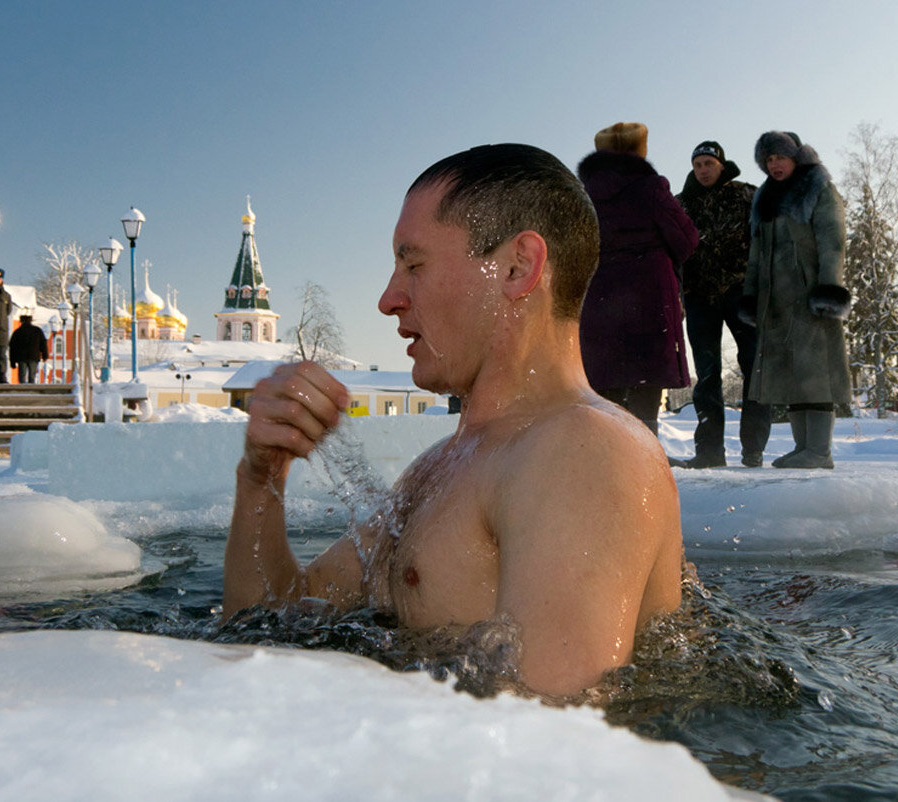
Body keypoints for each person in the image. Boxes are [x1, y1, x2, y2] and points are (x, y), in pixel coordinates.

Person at [223, 144, 683, 698]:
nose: (388, 299)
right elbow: (271, 623)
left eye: (413, 265)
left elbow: (550, 750)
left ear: (518, 268)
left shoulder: (584, 450)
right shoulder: (443, 466)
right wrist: (261, 481)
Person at [577, 122, 699, 434]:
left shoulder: (584, 195)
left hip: (600, 296)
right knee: (647, 378)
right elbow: (685, 239)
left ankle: (611, 461)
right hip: (649, 295)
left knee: (607, 382)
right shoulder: (649, 187)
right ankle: (647, 457)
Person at [741, 131, 851, 469]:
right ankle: (804, 448)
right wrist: (752, 294)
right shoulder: (765, 197)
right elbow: (757, 254)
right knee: (790, 373)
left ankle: (819, 451)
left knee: (815, 371)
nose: (774, 164)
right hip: (776, 302)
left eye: (779, 157)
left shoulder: (817, 187)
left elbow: (832, 241)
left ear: (796, 157)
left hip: (809, 296)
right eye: (768, 160)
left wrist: (827, 289)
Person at [670, 141, 772, 469]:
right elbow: (670, 251)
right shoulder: (681, 204)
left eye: (708, 164)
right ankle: (710, 451)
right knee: (707, 373)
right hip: (699, 297)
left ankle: (753, 449)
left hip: (740, 292)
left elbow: (772, 227)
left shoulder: (745, 194)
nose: (703, 170)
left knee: (754, 366)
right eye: (698, 164)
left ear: (721, 165)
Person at [9, 314, 49, 384]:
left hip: (21, 357)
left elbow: (12, 347)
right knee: (32, 377)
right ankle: (32, 390)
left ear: (21, 321)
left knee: (22, 377)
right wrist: (45, 355)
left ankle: (22, 391)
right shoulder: (37, 330)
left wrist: (12, 362)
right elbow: (43, 344)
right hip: (34, 356)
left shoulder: (17, 332)